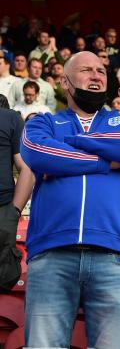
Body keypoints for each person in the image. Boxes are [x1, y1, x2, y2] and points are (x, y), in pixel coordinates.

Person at [20, 51, 120, 348]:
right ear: (65, 82)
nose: (96, 76)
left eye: (101, 71)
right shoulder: (42, 123)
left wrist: (73, 142)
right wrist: (104, 162)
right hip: (52, 252)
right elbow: (38, 152)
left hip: (115, 254)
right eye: (86, 70)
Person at [0, 107, 33, 292]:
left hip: (3, 209)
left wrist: (13, 212)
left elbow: (26, 169)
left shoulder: (9, 118)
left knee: (4, 279)